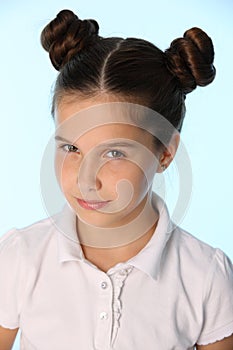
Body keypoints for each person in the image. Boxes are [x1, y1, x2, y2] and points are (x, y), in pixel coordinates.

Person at [0, 9, 232, 350]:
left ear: (165, 152)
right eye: (71, 147)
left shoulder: (206, 276)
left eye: (114, 153)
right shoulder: (20, 257)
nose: (86, 179)